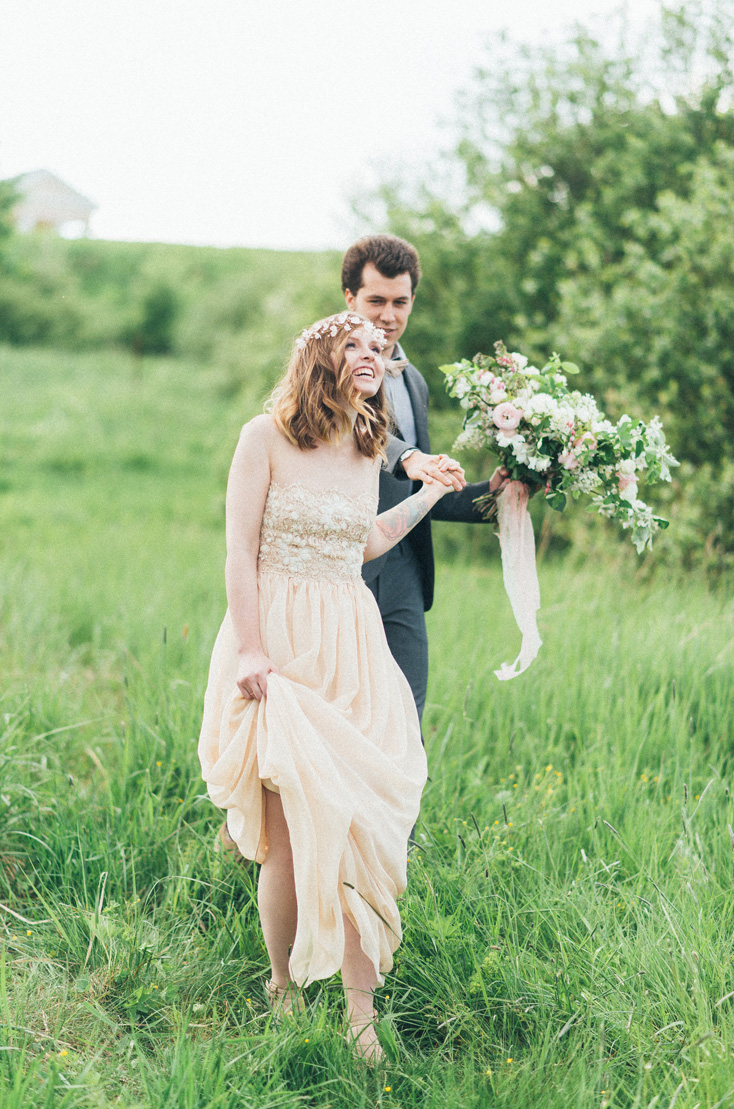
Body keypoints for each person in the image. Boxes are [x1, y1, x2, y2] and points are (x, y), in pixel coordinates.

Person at [198, 311, 453, 1062]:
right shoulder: (264, 437)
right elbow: (238, 551)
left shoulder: (365, 447)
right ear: (319, 355)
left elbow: (365, 540)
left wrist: (429, 493)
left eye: (381, 348)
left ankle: (359, 1011)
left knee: (361, 824)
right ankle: (281, 986)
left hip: (352, 643)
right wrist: (249, 647)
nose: (375, 353)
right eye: (357, 343)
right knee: (284, 837)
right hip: (275, 641)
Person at [342, 235, 507, 722]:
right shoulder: (329, 367)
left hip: (408, 570)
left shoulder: (414, 381)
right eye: (376, 301)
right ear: (350, 298)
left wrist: (496, 494)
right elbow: (350, 428)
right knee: (348, 718)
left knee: (407, 717)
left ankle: (400, 803)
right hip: (345, 569)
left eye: (400, 302)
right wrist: (406, 455)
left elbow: (421, 488)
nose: (388, 316)